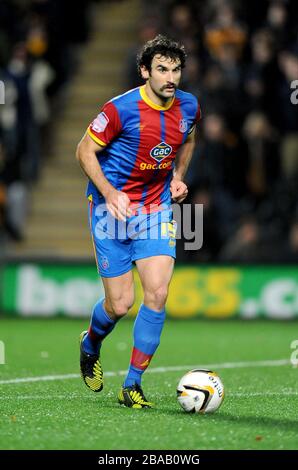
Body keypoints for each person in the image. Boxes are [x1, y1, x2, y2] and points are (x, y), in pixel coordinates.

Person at [76, 35, 201, 408]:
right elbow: (84, 150)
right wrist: (110, 193)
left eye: (176, 69)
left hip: (156, 209)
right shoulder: (120, 109)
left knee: (158, 293)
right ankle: (90, 343)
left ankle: (133, 384)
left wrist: (178, 175)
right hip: (110, 211)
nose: (171, 77)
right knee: (119, 305)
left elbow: (189, 139)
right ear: (145, 71)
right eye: (162, 69)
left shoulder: (190, 106)